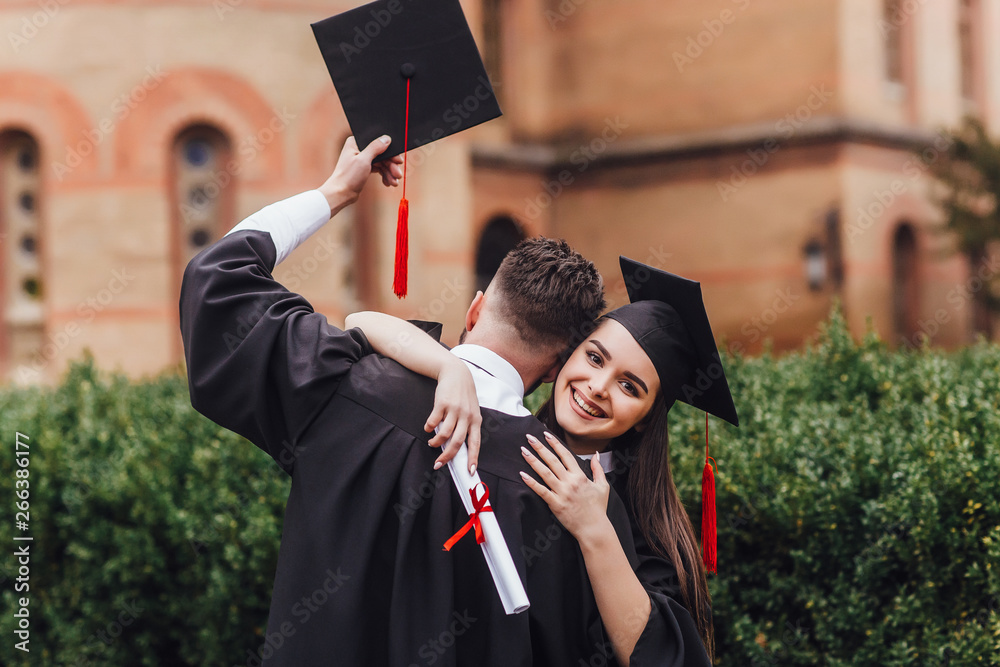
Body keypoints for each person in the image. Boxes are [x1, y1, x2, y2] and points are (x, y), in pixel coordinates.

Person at [179, 135, 642, 666]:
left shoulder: (346, 384)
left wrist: (334, 193)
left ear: (474, 310)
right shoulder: (567, 493)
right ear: (560, 366)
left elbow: (215, 279)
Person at [349, 257, 740, 667]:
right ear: (561, 361)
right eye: (594, 358)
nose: (598, 387)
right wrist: (450, 368)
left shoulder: (646, 528)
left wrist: (594, 528)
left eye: (629, 386)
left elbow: (662, 658)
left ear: (647, 419)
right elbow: (361, 321)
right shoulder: (489, 428)